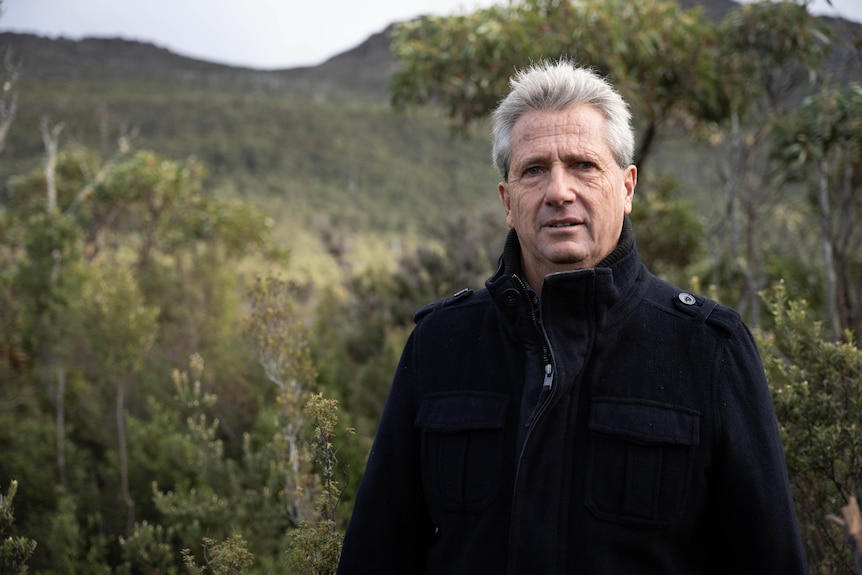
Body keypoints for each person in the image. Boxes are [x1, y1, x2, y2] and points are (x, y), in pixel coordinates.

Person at [337, 59, 807, 574]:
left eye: (583, 165)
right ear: (508, 202)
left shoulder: (709, 349)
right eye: (534, 170)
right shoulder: (440, 343)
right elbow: (375, 554)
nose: (559, 191)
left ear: (626, 188)